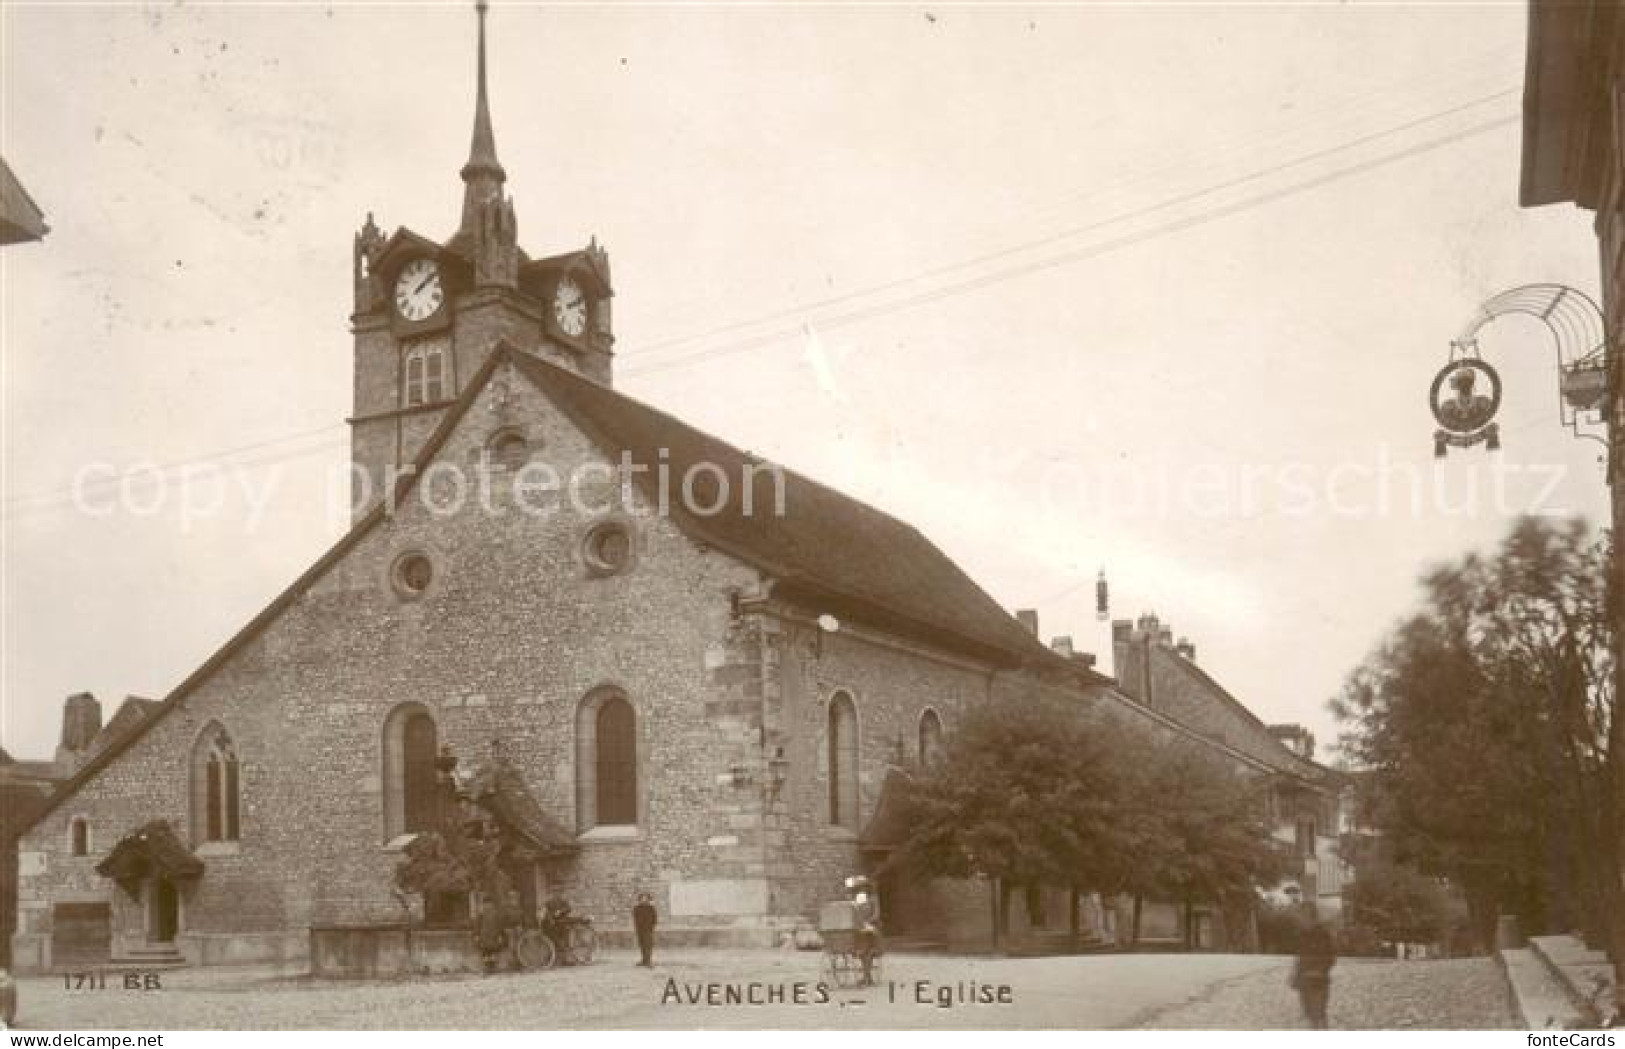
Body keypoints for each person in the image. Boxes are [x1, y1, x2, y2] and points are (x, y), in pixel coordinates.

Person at [1291, 923, 1337, 1029]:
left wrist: (1318, 970)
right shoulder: (1322, 935)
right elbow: (1332, 958)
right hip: (1316, 979)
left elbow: (1300, 959)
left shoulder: (1309, 935)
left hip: (1312, 979)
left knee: (1315, 1013)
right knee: (1318, 1013)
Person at [632, 892, 658, 967]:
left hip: (648, 929)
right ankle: (643, 960)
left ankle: (648, 961)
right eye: (642, 898)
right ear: (639, 899)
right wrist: (637, 927)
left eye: (646, 898)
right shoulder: (636, 908)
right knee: (642, 944)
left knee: (648, 945)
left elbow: (654, 919)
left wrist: (651, 927)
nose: (644, 900)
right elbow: (635, 918)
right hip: (640, 929)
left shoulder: (651, 908)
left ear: (648, 899)